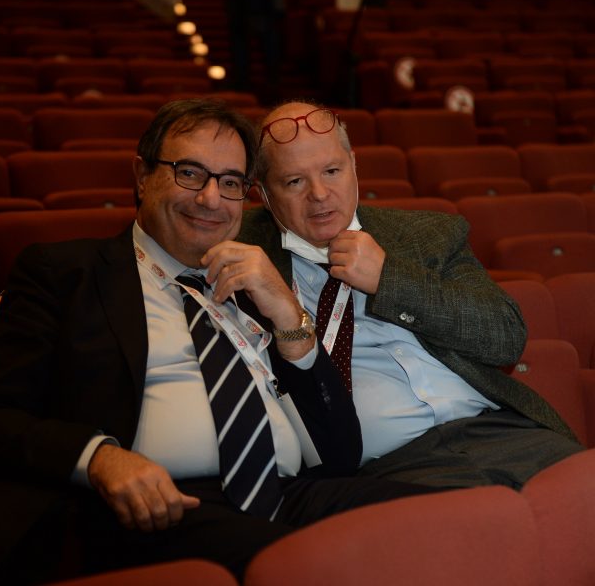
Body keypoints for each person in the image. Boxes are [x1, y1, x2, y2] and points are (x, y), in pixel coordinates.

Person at [0, 99, 435, 585]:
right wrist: (99, 456)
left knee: (439, 522)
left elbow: (340, 454)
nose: (210, 198)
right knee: (311, 565)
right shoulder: (66, 275)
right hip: (158, 507)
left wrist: (289, 316)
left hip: (287, 494)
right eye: (189, 173)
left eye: (230, 182)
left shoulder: (254, 285)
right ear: (142, 176)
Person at [241, 101, 582, 488]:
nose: (319, 194)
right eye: (294, 182)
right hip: (389, 466)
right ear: (264, 194)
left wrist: (390, 279)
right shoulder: (246, 253)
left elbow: (504, 338)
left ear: (354, 165)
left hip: (501, 432)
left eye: (332, 171)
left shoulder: (426, 235)